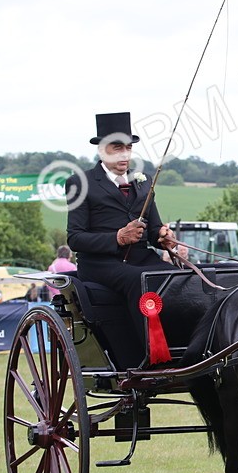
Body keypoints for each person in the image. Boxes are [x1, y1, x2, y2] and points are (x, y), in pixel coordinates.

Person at [65, 112, 179, 339]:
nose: (124, 154)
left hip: (140, 258)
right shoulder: (81, 183)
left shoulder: (144, 181)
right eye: (117, 148)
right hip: (99, 264)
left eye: (128, 148)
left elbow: (154, 229)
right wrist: (117, 238)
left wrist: (163, 235)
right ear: (102, 150)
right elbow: (75, 238)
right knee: (141, 280)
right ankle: (150, 354)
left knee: (178, 278)